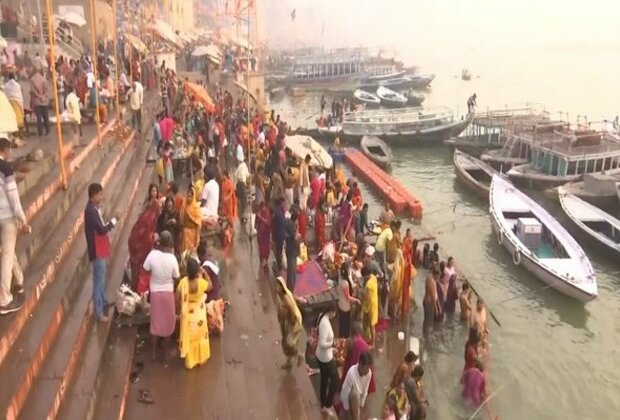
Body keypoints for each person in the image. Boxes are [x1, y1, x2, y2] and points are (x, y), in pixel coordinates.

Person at [0, 138, 30, 315]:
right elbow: (14, 198)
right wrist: (23, 220)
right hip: (6, 218)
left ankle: (18, 280)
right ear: (5, 150)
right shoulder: (5, 169)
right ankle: (4, 299)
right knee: (8, 256)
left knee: (7, 253)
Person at [143, 231, 180, 362]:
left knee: (155, 323)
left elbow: (145, 269)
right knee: (168, 324)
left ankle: (153, 352)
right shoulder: (172, 258)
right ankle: (165, 354)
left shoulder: (152, 255)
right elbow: (176, 277)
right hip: (168, 293)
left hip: (155, 293)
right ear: (170, 243)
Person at [84, 183, 117, 322]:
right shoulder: (91, 212)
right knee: (98, 281)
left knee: (101, 279)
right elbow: (102, 229)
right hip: (97, 251)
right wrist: (115, 220)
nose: (102, 197)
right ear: (93, 195)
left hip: (100, 248)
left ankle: (102, 301)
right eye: (100, 194)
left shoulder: (94, 208)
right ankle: (98, 313)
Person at [177, 258, 210, 369]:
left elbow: (177, 296)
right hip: (199, 316)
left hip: (188, 318)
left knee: (190, 340)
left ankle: (191, 362)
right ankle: (201, 359)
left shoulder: (183, 283)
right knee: (201, 338)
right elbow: (210, 286)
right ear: (197, 271)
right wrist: (204, 273)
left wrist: (178, 311)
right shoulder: (201, 283)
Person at [316, 303, 339, 416]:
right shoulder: (325, 323)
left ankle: (323, 404)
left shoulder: (322, 316)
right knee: (335, 381)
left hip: (323, 355)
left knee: (324, 379)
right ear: (331, 312)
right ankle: (328, 405)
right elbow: (322, 343)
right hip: (325, 358)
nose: (334, 315)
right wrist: (332, 344)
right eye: (334, 313)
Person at [275, 276, 303, 369]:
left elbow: (290, 308)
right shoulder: (284, 295)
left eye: (278, 286)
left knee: (288, 342)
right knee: (287, 341)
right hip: (285, 321)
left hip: (290, 322)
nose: (276, 288)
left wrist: (290, 321)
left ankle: (298, 355)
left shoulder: (286, 298)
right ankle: (289, 362)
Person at [340, 351, 374, 420]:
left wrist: (361, 405)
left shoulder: (369, 373)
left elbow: (365, 390)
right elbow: (345, 393)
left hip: (358, 398)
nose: (368, 370)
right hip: (349, 397)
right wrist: (347, 412)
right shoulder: (351, 373)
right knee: (355, 394)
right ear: (360, 364)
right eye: (366, 368)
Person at [338, 262, 361, 338]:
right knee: (346, 325)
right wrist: (356, 300)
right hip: (346, 306)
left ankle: (341, 337)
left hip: (340, 304)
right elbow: (348, 297)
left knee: (341, 324)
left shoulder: (340, 278)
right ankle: (345, 339)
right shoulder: (345, 283)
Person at [180, 186, 201, 253]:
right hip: (184, 233)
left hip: (192, 235)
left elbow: (198, 223)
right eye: (188, 195)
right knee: (183, 252)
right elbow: (181, 218)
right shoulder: (184, 204)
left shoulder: (196, 208)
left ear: (193, 196)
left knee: (190, 253)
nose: (189, 197)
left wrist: (197, 238)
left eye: (191, 195)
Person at [361, 266, 379, 347]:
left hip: (370, 305)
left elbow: (366, 297)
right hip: (374, 301)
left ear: (366, 275)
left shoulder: (368, 285)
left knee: (372, 325)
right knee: (368, 323)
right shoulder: (373, 277)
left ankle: (372, 343)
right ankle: (368, 338)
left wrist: (362, 292)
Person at [30, 67, 50, 136]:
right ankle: (47, 130)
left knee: (39, 117)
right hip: (44, 101)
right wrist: (43, 97)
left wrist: (39, 96)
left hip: (37, 101)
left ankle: (40, 132)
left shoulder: (32, 79)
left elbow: (33, 91)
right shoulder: (43, 79)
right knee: (45, 116)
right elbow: (46, 90)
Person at [284, 210, 300, 292]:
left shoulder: (290, 224)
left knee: (293, 272)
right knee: (291, 272)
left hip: (292, 251)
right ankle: (290, 290)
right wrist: (297, 228)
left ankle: (291, 288)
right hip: (291, 251)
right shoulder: (291, 226)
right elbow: (295, 237)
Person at [255, 201, 271, 270]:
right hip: (261, 233)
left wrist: (261, 218)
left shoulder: (267, 213)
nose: (262, 209)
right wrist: (258, 231)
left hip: (266, 233)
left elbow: (268, 223)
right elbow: (255, 224)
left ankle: (266, 262)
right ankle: (262, 261)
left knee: (266, 248)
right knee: (261, 248)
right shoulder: (258, 214)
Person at [272, 197, 287, 270]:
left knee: (279, 250)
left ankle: (279, 264)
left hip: (278, 233)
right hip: (279, 234)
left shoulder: (277, 211)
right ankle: (279, 265)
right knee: (279, 250)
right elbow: (282, 223)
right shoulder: (279, 213)